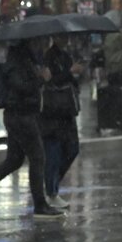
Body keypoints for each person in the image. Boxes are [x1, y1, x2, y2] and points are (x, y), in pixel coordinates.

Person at [0, 37, 65, 219]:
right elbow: (20, 86)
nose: (40, 44)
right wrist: (40, 79)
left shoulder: (26, 60)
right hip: (20, 116)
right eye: (37, 42)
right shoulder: (16, 62)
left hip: (20, 115)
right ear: (27, 43)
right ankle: (40, 205)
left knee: (14, 160)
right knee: (38, 157)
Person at [39, 35, 83, 209]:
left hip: (67, 111)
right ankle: (51, 191)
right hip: (52, 112)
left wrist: (74, 74)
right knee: (54, 152)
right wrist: (69, 72)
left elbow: (70, 82)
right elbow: (51, 81)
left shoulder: (66, 56)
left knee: (72, 148)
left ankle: (52, 183)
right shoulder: (48, 57)